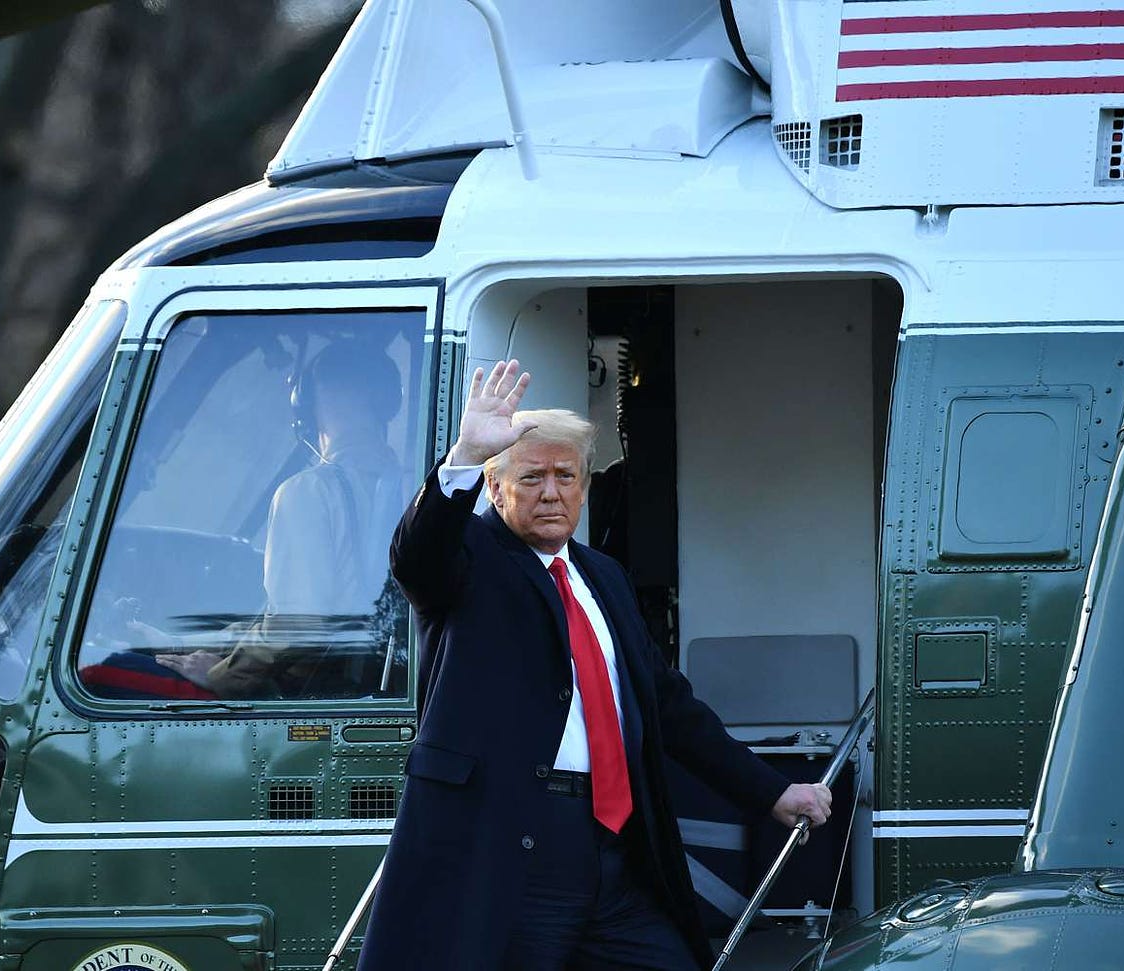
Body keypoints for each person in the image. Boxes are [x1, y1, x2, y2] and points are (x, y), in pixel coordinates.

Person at [357, 360, 833, 970]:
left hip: (614, 850)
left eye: (565, 476)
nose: (551, 492)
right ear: (496, 490)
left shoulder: (602, 576)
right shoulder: (470, 556)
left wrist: (772, 792)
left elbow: (669, 707)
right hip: (513, 848)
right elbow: (418, 557)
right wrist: (467, 456)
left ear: (585, 487)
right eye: (531, 478)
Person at [153, 340, 407, 698]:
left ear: (312, 401)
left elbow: (299, 623)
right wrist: (224, 641)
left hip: (314, 693)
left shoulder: (307, 491)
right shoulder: (414, 488)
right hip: (380, 684)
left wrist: (222, 674)